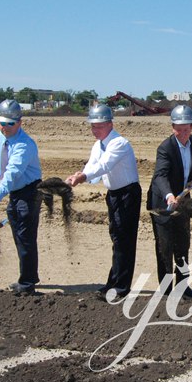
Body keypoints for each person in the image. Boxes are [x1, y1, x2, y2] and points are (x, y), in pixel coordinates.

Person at [66, 104, 141, 299]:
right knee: (116, 238)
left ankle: (121, 287)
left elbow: (104, 165)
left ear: (110, 124)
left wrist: (82, 177)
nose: (94, 130)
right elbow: (92, 165)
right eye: (92, 126)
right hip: (114, 194)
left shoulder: (119, 143)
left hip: (128, 194)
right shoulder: (97, 144)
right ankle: (112, 283)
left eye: (98, 126)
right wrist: (80, 175)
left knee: (124, 240)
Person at [0, 99, 42, 295]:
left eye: (10, 123)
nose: (5, 127)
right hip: (16, 191)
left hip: (29, 191)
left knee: (25, 236)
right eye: (2, 122)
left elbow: (13, 172)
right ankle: (28, 276)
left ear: (20, 122)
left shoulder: (25, 145)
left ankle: (26, 284)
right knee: (18, 234)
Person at [147, 105, 192, 299]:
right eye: (179, 129)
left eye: (186, 129)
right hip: (163, 203)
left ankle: (183, 287)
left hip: (183, 202)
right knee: (165, 246)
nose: (183, 133)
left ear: (191, 127)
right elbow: (159, 176)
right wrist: (169, 195)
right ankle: (166, 290)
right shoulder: (165, 148)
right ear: (172, 128)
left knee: (183, 244)